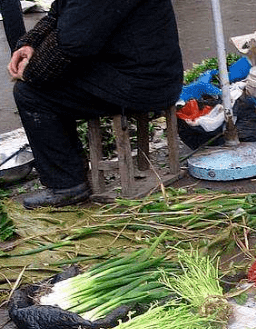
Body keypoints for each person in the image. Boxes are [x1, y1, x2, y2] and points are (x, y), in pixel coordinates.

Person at [6, 0, 182, 209]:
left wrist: (31, 72)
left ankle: (66, 185)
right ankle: (69, 175)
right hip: (130, 68)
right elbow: (57, 14)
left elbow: (72, 45)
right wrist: (29, 43)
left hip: (143, 82)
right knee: (42, 81)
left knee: (31, 93)